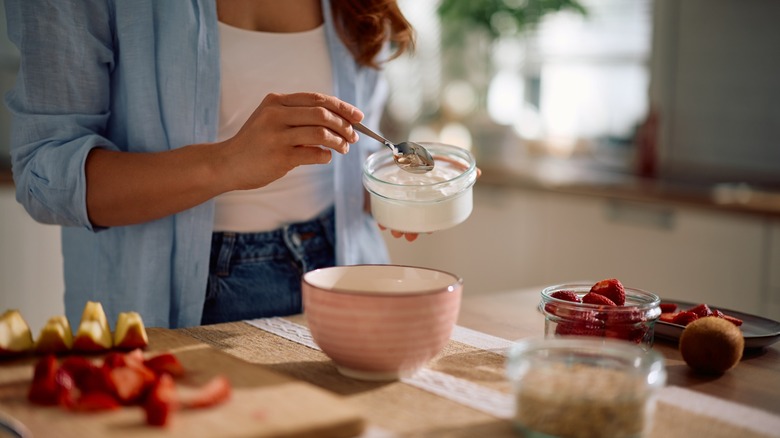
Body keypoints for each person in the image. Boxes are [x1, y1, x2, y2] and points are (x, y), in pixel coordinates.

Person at [4, 0, 415, 329]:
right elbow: (45, 174)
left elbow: (354, 159)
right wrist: (226, 163)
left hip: (347, 282)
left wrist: (394, 189)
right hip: (175, 309)